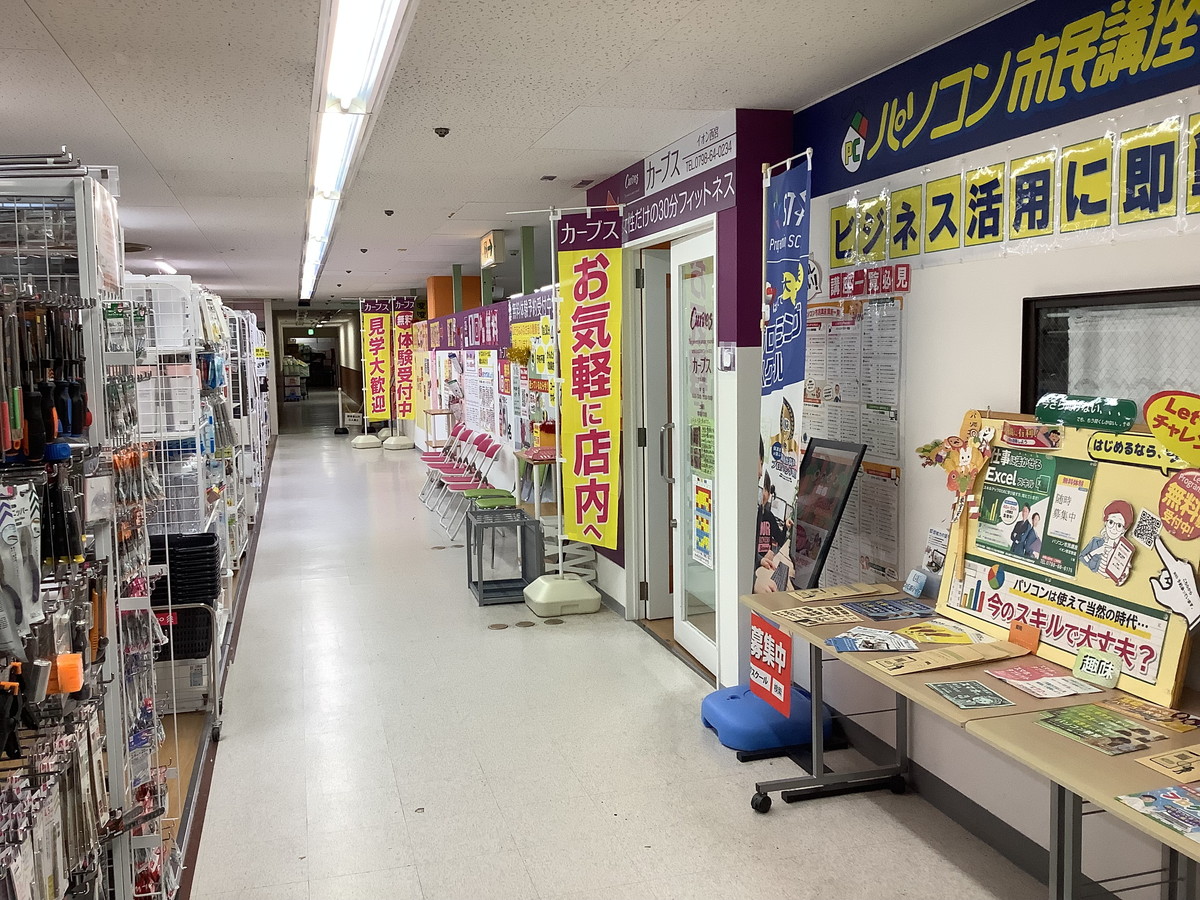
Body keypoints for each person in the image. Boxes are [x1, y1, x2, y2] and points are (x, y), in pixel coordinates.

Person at [1080, 500, 1135, 573]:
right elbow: (1082, 559)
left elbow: (1120, 575)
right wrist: (1095, 552)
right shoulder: (1095, 542)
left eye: (1119, 525)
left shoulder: (1123, 551)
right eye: (1111, 522)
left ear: (1124, 529)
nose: (1114, 528)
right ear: (1106, 522)